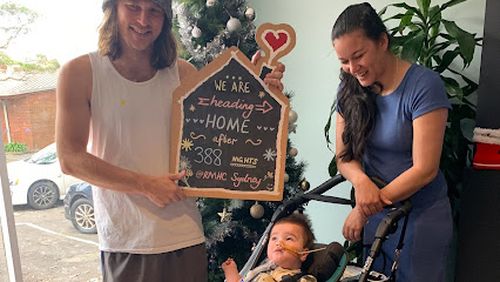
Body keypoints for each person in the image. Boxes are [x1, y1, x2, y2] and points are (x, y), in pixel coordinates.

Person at [55, 0, 285, 281]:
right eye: (133, 6)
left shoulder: (184, 73)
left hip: (184, 235)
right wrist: (145, 185)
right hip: (126, 239)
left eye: (154, 10)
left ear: (165, 18)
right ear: (113, 8)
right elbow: (70, 159)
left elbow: (226, 135)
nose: (143, 20)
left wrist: (266, 98)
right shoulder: (79, 73)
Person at [331, 2, 452, 282]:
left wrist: (364, 208)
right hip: (376, 213)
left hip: (420, 217)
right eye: (343, 61)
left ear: (383, 41)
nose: (352, 68)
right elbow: (344, 157)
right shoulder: (349, 88)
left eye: (358, 56)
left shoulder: (424, 86)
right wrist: (362, 184)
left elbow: (425, 169)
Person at [222, 213, 317, 282]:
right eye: (274, 238)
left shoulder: (300, 278)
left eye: (288, 238)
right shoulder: (261, 269)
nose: (278, 242)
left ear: (303, 254)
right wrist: (232, 274)